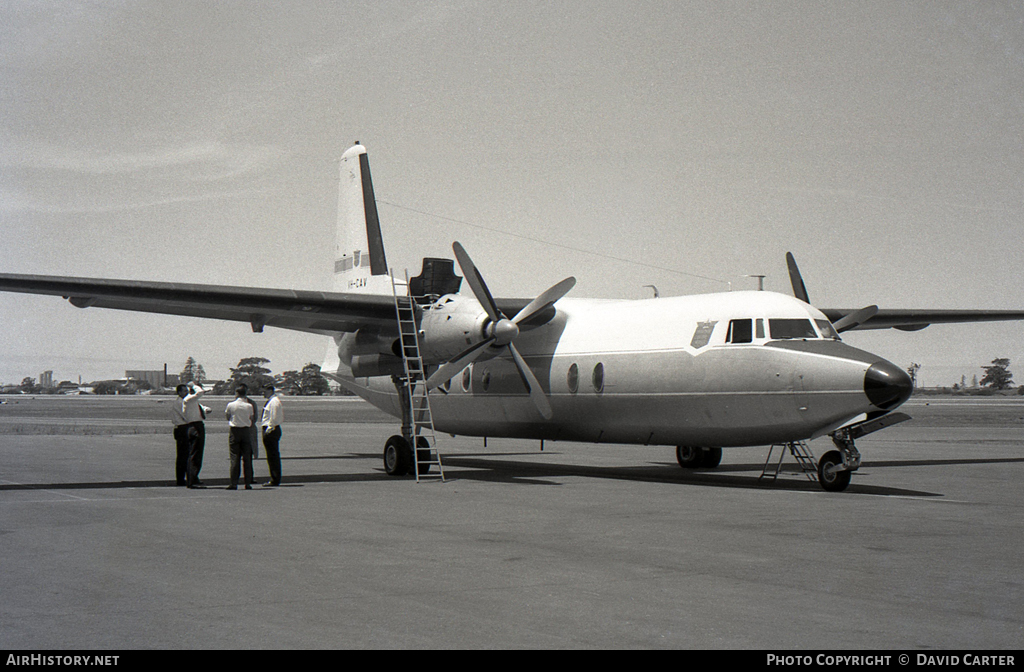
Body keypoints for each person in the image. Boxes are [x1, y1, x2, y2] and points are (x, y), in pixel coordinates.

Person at [224, 384, 255, 490]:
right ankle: (248, 482)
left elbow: (228, 416)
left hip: (235, 430)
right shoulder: (249, 406)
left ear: (236, 393)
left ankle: (234, 483)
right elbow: (251, 417)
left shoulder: (231, 405)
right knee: (247, 458)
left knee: (234, 457)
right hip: (246, 430)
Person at [181, 382, 211, 488]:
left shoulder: (192, 401)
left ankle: (194, 477)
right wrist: (193, 385)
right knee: (195, 454)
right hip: (195, 426)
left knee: (197, 454)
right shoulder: (189, 399)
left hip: (196, 425)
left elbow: (200, 407)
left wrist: (206, 409)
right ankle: (191, 480)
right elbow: (200, 393)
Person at [260, 385, 284, 486]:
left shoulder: (273, 402)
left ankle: (275, 478)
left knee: (272, 455)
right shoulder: (272, 401)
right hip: (272, 428)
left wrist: (269, 429)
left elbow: (274, 417)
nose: (263, 394)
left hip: (271, 429)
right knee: (272, 455)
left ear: (270, 390)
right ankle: (274, 477)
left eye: (264, 391)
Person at [171, 385, 190, 485]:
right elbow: (185, 416)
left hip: (182, 428)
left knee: (185, 455)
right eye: (184, 391)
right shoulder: (179, 403)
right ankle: (181, 478)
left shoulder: (183, 402)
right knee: (183, 455)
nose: (187, 393)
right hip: (182, 428)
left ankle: (187, 476)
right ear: (179, 393)